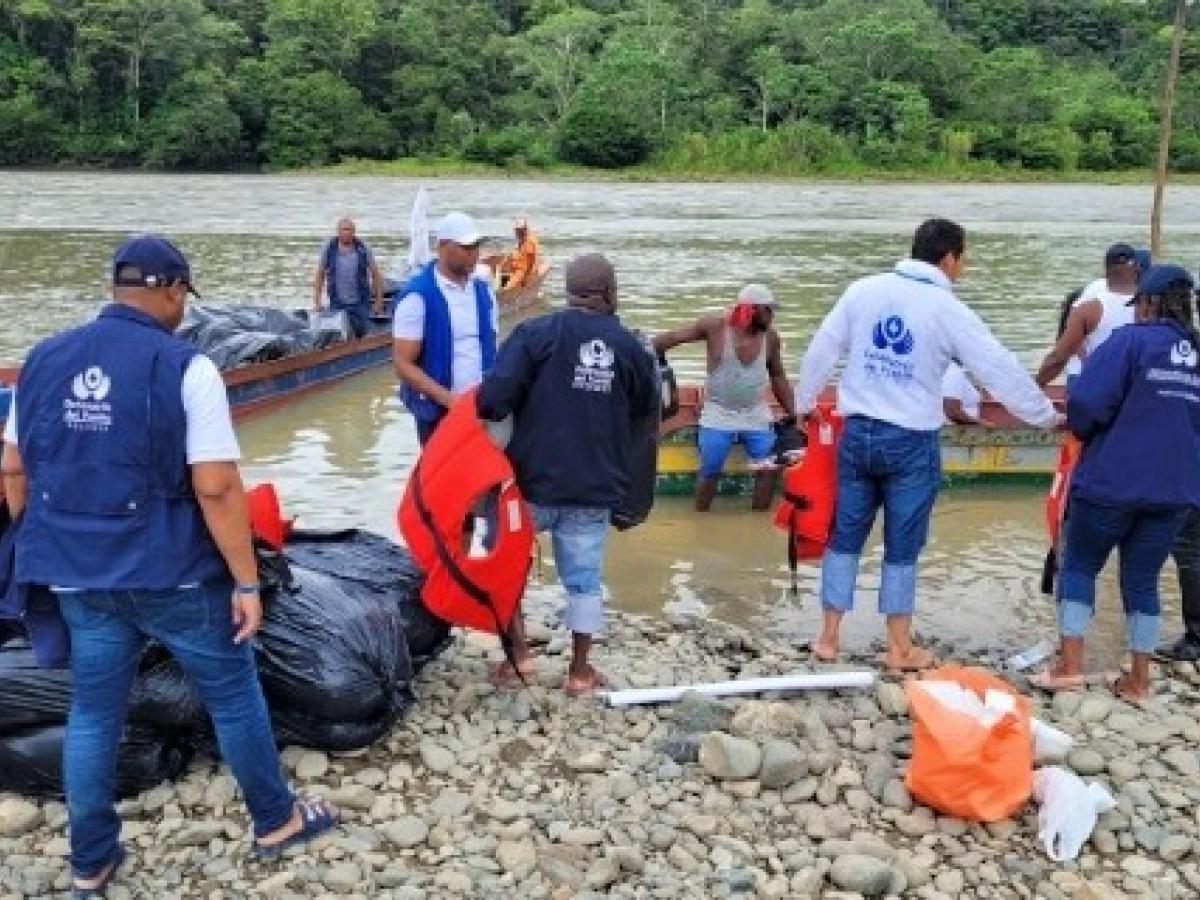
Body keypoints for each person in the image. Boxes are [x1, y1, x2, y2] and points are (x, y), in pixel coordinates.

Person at [0, 235, 336, 898]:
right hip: (174, 576)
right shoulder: (188, 367)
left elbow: (13, 471)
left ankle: (91, 862)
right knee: (233, 694)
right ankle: (276, 821)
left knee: (96, 710)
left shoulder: (41, 359)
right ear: (174, 290)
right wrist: (246, 580)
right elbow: (216, 487)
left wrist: (58, 540)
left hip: (78, 578)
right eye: (185, 298)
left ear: (114, 286)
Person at [795, 218, 1059, 670]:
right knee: (903, 543)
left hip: (857, 434)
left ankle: (828, 638)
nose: (963, 268)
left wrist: (803, 403)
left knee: (846, 536)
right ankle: (898, 647)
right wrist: (1046, 417)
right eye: (963, 259)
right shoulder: (947, 309)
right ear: (949, 258)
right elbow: (998, 366)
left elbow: (823, 347)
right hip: (910, 442)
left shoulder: (863, 290)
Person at [477, 253, 656, 696]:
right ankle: (579, 673)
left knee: (508, 570)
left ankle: (519, 658)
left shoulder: (535, 334)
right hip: (594, 489)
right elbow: (644, 412)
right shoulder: (630, 346)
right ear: (611, 294)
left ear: (569, 292)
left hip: (531, 485)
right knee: (584, 582)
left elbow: (492, 401)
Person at [1034, 264, 1200, 701]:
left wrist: (1084, 429)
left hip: (1112, 483)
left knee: (1080, 566)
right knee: (1142, 579)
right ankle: (1139, 680)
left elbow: (1086, 401)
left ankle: (1070, 667)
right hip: (1174, 493)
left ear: (1147, 304)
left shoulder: (1129, 341)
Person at [652, 284, 798, 511]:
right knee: (710, 471)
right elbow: (670, 339)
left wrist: (793, 412)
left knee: (768, 469)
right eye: (768, 310)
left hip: (754, 411)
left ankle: (758, 519)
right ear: (750, 310)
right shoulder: (714, 327)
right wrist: (657, 362)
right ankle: (701, 522)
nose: (772, 316)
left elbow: (778, 376)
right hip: (717, 411)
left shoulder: (771, 338)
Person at [393, 212, 499, 445]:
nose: (474, 255)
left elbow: (492, 345)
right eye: (466, 248)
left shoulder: (484, 292)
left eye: (476, 247)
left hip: (480, 408)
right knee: (441, 479)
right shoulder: (418, 296)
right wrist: (449, 400)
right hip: (438, 411)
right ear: (442, 247)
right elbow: (402, 364)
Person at [1036, 242, 1141, 387]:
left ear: (1105, 272)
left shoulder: (1089, 309)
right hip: (1134, 389)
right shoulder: (1150, 307)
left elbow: (1057, 359)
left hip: (1092, 387)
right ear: (1137, 269)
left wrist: (1035, 387)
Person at [312, 216, 385, 338]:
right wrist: (317, 302)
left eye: (349, 230)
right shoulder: (329, 248)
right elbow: (320, 275)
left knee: (365, 335)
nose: (347, 233)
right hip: (337, 303)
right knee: (338, 337)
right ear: (338, 232)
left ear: (354, 232)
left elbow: (376, 276)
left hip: (360, 302)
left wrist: (379, 302)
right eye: (344, 229)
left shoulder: (363, 248)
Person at [499, 217, 541, 291]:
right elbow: (515, 253)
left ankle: (504, 293)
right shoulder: (522, 240)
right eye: (516, 230)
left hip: (521, 271)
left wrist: (527, 278)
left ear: (524, 230)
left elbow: (533, 262)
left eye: (519, 230)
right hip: (514, 268)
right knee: (501, 271)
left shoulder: (529, 242)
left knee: (507, 288)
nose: (517, 232)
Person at [942, 361, 983, 425]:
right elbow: (952, 411)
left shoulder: (959, 371)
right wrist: (983, 425)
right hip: (953, 430)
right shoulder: (953, 372)